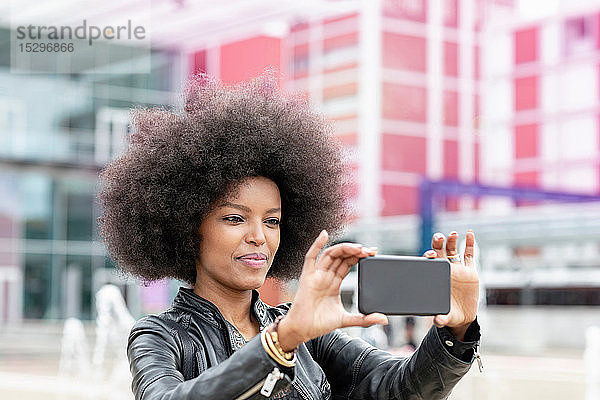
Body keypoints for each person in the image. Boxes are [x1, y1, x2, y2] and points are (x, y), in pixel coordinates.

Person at [97, 72, 481, 400]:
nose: (258, 237)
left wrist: (457, 330)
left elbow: (399, 388)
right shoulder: (161, 336)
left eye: (273, 221)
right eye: (235, 219)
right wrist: (279, 343)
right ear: (185, 227)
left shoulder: (306, 329)